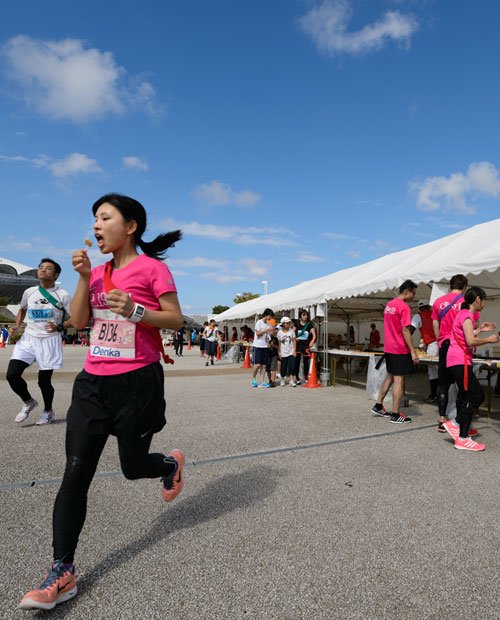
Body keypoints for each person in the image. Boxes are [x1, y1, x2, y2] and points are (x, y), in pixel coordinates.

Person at [18, 193, 185, 611]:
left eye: (105, 218)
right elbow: (77, 323)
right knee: (75, 473)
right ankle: (61, 571)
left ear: (129, 227)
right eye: (94, 218)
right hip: (92, 384)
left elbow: (175, 319)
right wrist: (81, 277)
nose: (96, 225)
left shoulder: (153, 268)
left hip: (138, 384)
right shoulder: (95, 274)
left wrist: (136, 311)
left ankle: (168, 464)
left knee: (132, 468)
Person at [6, 258, 72, 426]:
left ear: (55, 275)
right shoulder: (29, 292)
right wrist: (17, 325)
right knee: (12, 375)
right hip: (28, 339)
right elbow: (22, 309)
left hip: (49, 341)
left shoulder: (63, 295)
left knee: (43, 381)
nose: (42, 270)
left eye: (48, 269)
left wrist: (60, 326)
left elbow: (75, 319)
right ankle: (29, 402)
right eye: (41, 267)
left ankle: (48, 411)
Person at [430, 274, 493, 433]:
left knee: (443, 384)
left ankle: (443, 419)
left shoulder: (438, 301)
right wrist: (484, 335)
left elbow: (435, 323)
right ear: (465, 286)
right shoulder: (465, 305)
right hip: (460, 349)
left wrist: (440, 340)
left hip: (445, 346)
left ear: (451, 285)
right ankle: (460, 424)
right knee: (465, 388)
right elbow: (471, 330)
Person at [442, 287, 500, 451]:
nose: (484, 303)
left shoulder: (463, 314)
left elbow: (464, 334)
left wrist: (480, 329)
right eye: (484, 299)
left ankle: (458, 428)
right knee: (476, 394)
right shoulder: (467, 315)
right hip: (459, 360)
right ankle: (460, 434)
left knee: (470, 395)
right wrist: (489, 339)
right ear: (478, 299)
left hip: (457, 360)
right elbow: (470, 341)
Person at [371, 280, 418, 424]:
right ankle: (396, 414)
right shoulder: (404, 307)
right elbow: (405, 330)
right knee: (399, 380)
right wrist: (412, 351)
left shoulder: (389, 305)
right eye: (413, 293)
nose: (414, 296)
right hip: (399, 348)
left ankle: (378, 405)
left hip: (389, 348)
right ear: (406, 291)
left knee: (390, 377)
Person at [410, 300, 439, 403]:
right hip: (442, 343)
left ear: (419, 308)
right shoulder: (436, 314)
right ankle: (443, 394)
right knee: (442, 369)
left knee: (433, 371)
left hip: (432, 344)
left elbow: (411, 329)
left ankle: (435, 395)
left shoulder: (418, 316)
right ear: (429, 306)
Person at [251, 308, 275, 387]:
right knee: (257, 364)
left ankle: (262, 381)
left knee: (264, 365)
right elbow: (258, 333)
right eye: (270, 316)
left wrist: (271, 334)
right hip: (258, 346)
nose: (270, 318)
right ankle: (253, 379)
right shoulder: (259, 322)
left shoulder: (268, 324)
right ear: (266, 315)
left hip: (265, 346)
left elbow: (268, 335)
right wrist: (266, 329)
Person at [293, 309, 317, 384]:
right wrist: (295, 338)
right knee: (297, 361)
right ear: (300, 316)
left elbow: (314, 335)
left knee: (306, 361)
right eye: (303, 315)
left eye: (306, 315)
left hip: (306, 345)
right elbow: (292, 332)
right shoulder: (296, 323)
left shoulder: (309, 324)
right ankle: (297, 377)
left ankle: (306, 376)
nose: (305, 316)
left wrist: (312, 342)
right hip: (298, 345)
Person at [277, 317, 297, 386]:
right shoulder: (279, 332)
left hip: (291, 351)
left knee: (292, 366)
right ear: (283, 324)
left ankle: (291, 380)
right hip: (283, 352)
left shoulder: (291, 331)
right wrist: (279, 352)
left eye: (289, 323)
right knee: (283, 367)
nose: (288, 324)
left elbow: (294, 341)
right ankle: (282, 379)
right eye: (287, 323)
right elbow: (279, 343)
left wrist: (294, 350)